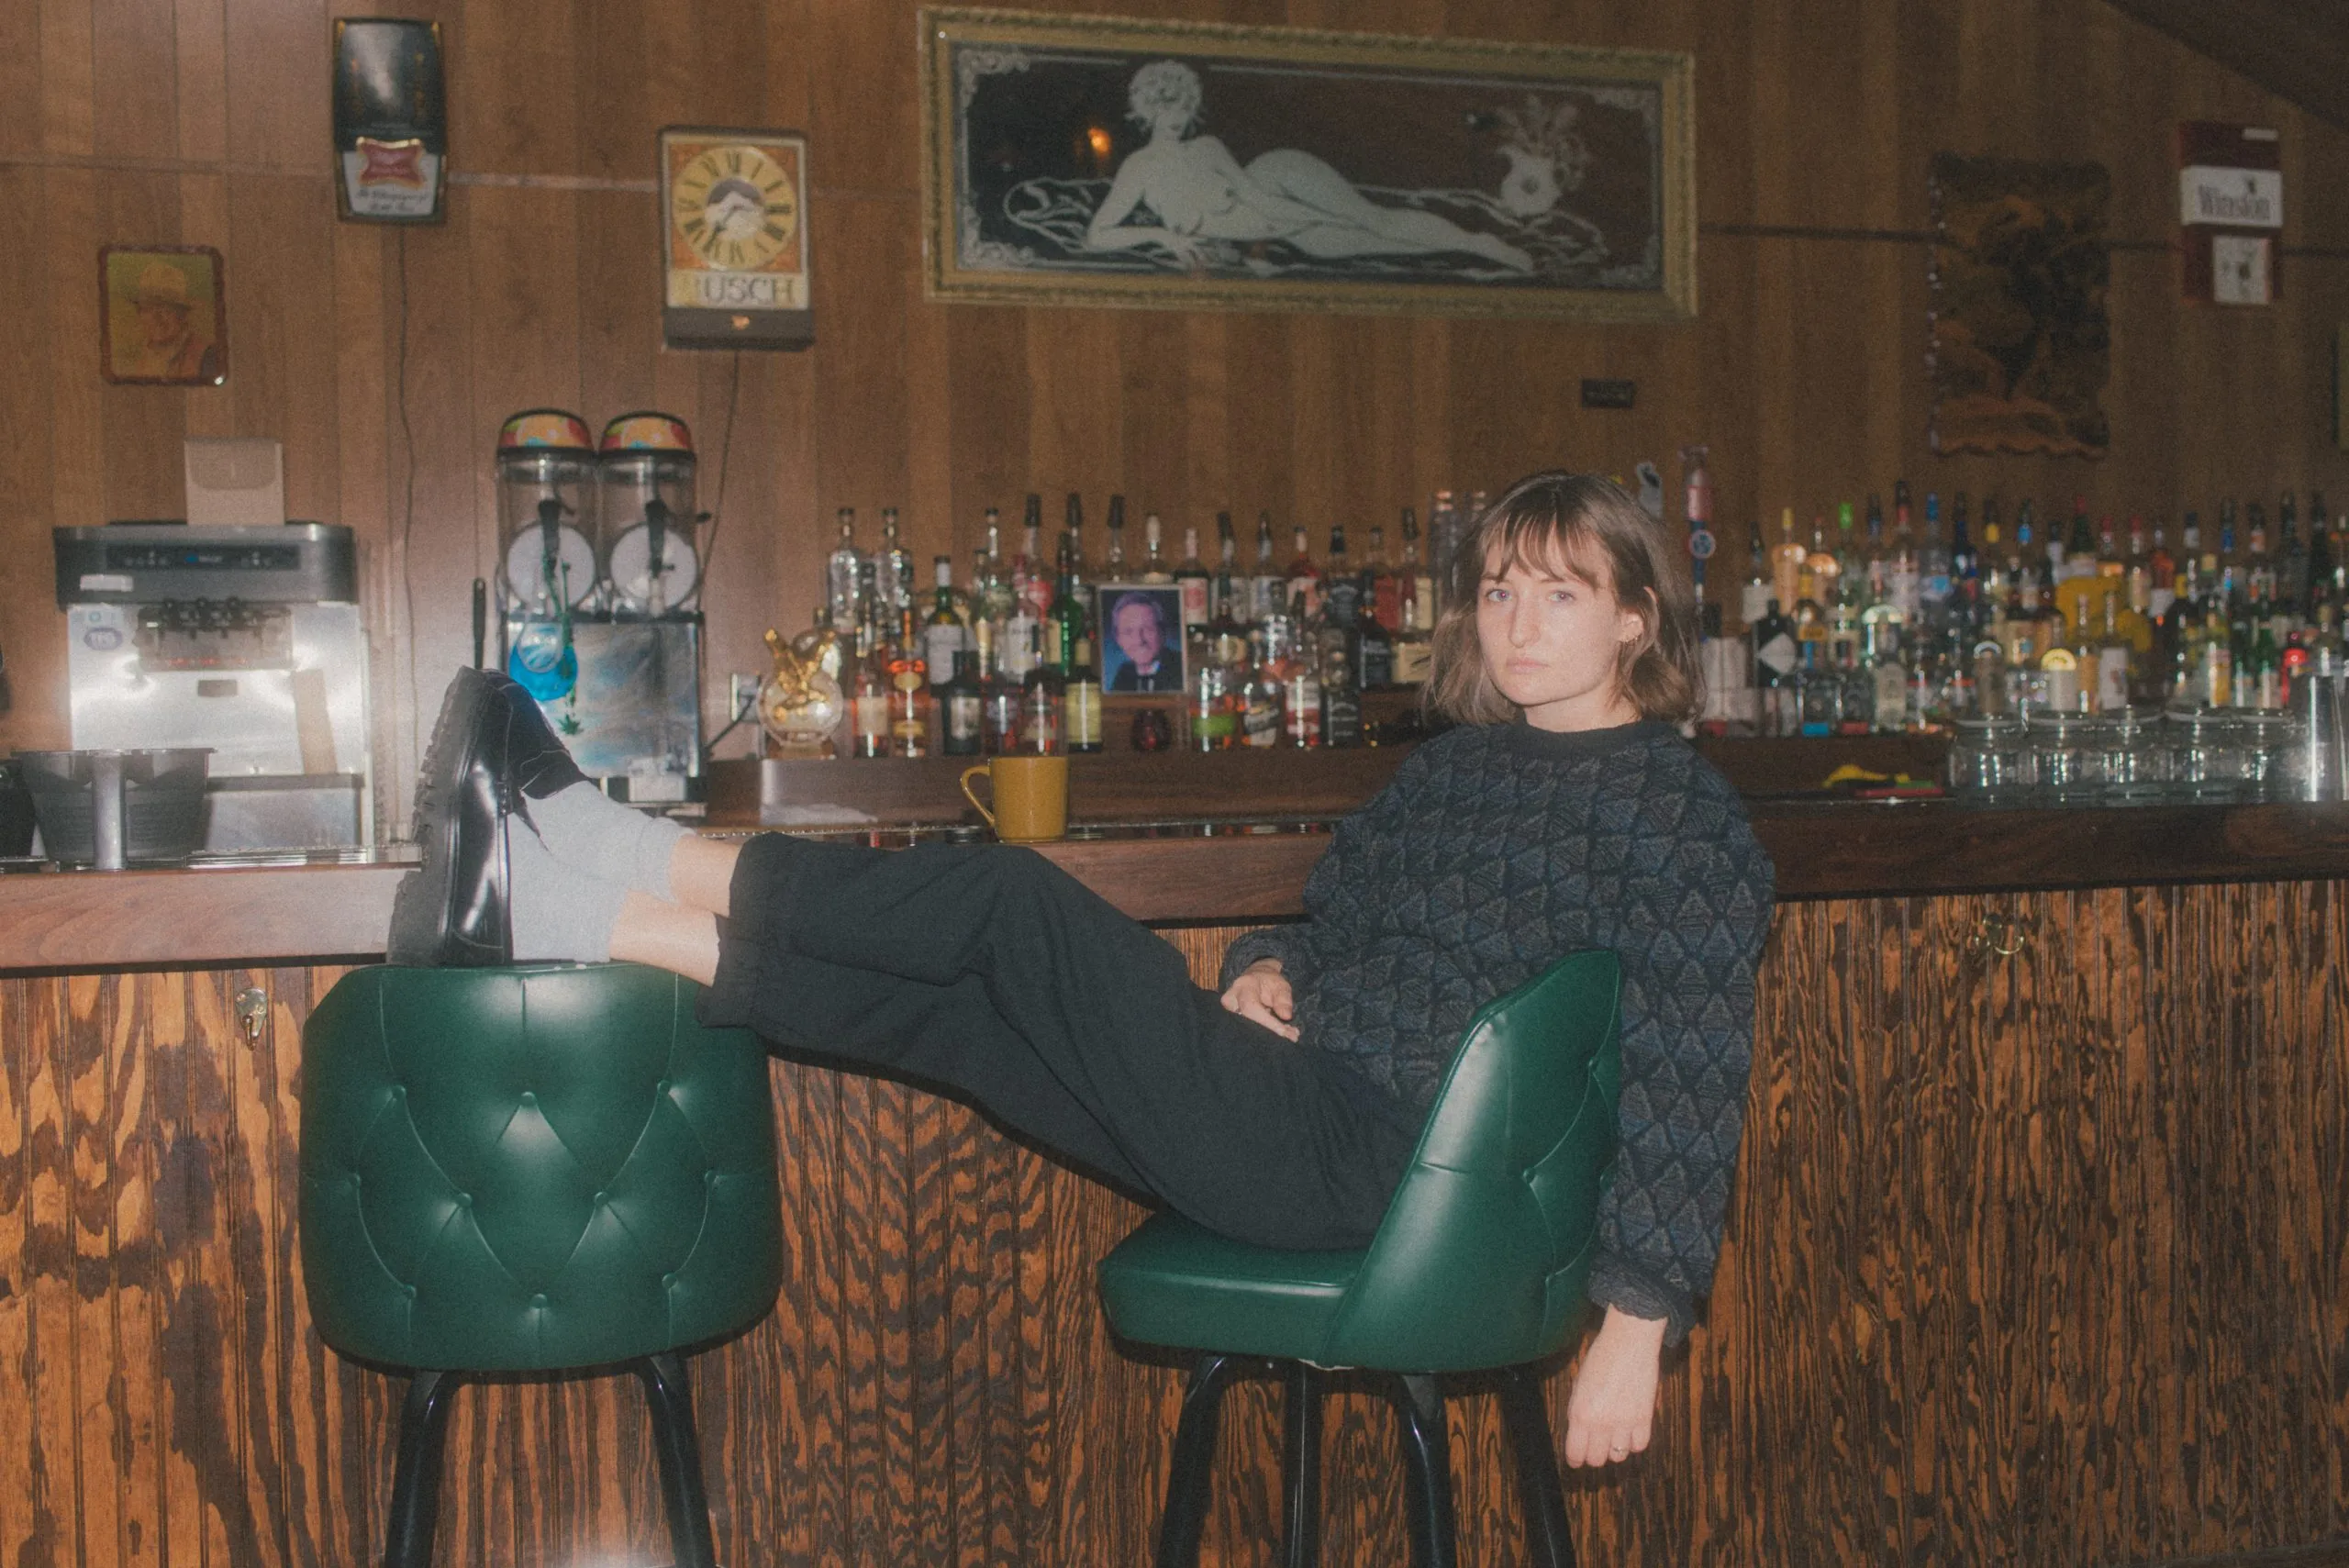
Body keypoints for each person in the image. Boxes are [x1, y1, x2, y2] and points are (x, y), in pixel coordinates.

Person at [388, 471, 1774, 1470]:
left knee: (1008, 902)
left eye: (1560, 593)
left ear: (1636, 617)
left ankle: (617, 841)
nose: (1518, 623)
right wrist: (1267, 966)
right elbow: (1333, 918)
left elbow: (1689, 1075)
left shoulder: (1681, 814)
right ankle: (574, 913)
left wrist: (1634, 1328)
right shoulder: (1455, 771)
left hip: (1406, 1171)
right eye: (1499, 591)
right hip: (1302, 1106)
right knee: (967, 1013)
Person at [1084, 60, 1532, 273]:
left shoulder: (1207, 147)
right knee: (1358, 245)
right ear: (1147, 110)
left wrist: (1320, 215)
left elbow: (1257, 197)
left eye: (1184, 105)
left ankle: (1481, 243)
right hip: (1281, 228)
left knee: (1371, 219)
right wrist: (1163, 236)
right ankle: (1474, 244)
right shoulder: (1139, 169)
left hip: (1278, 179)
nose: (1177, 117)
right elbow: (1097, 235)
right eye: (1167, 107)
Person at [118, 260, 220, 383]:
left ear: (182, 315)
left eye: (165, 309)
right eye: (148, 309)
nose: (155, 317)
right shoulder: (140, 357)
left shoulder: (206, 356)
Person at [1106, 591, 1182, 692]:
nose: (1139, 640)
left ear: (1163, 632)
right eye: (1128, 632)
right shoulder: (1124, 674)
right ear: (1118, 639)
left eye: (1148, 629)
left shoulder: (1181, 668)